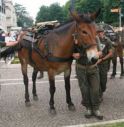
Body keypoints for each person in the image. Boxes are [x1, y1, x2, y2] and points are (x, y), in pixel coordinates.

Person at [73, 38, 103, 120]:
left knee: (96, 89)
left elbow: (100, 52)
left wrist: (99, 54)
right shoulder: (76, 40)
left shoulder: (96, 39)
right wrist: (74, 55)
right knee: (84, 90)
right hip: (81, 69)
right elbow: (71, 53)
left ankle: (96, 108)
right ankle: (88, 108)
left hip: (93, 68)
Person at [96, 26, 113, 101]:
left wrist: (102, 59)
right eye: (98, 32)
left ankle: (102, 90)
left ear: (103, 33)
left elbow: (110, 53)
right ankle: (99, 95)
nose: (99, 34)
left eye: (100, 32)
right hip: (95, 63)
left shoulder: (107, 41)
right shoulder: (94, 40)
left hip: (103, 63)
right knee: (96, 80)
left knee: (103, 80)